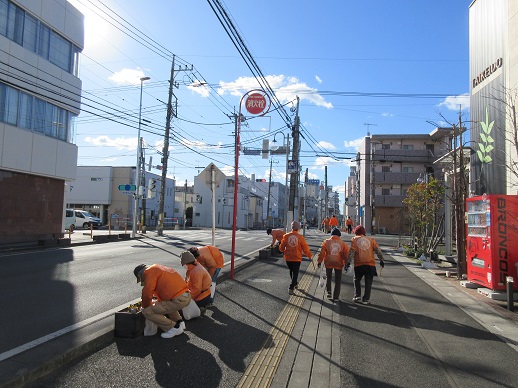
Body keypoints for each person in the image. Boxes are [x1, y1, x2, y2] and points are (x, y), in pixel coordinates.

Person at [133, 263, 191, 339]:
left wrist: (145, 306)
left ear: (140, 275)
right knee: (165, 304)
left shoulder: (149, 272)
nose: (142, 282)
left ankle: (173, 328)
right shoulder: (157, 268)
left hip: (178, 300)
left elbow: (147, 293)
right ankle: (179, 322)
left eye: (140, 279)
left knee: (147, 312)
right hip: (186, 296)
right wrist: (156, 302)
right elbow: (165, 292)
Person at [346, 225, 385, 305]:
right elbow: (378, 250)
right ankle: (366, 299)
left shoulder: (354, 240)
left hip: (359, 263)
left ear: (356, 233)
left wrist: (348, 262)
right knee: (368, 282)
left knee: (357, 279)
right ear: (364, 232)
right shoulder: (371, 240)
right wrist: (381, 260)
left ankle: (357, 295)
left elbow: (352, 252)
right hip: (370, 264)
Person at [279, 220, 313, 295]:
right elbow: (305, 248)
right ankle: (291, 287)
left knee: (291, 271)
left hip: (288, 257)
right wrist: (309, 255)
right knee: (295, 272)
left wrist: (281, 250)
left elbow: (281, 247)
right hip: (297, 257)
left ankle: (295, 283)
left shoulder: (286, 236)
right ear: (298, 228)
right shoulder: (300, 237)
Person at [317, 227, 349, 302]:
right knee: (338, 279)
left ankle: (329, 292)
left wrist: (319, 261)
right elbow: (346, 255)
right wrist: (347, 264)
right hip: (338, 262)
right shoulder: (343, 243)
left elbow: (322, 253)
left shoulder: (326, 242)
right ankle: (336, 296)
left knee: (329, 277)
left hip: (328, 261)